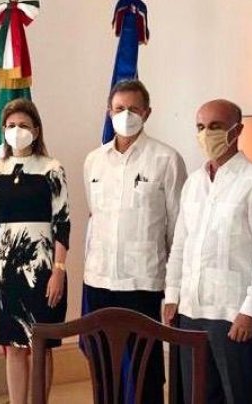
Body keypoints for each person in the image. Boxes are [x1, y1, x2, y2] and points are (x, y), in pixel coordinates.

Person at [83, 79, 187, 403]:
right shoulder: (94, 161)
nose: (125, 115)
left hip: (143, 282)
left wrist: (174, 288)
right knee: (103, 367)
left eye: (133, 108)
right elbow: (95, 217)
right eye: (119, 108)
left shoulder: (166, 159)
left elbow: (178, 229)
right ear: (108, 111)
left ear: (147, 112)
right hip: (99, 280)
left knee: (146, 370)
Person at [0, 98, 70, 403]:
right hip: (6, 268)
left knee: (41, 345)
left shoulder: (52, 168)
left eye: (23, 125)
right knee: (14, 344)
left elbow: (62, 223)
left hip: (44, 267)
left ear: (36, 130)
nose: (16, 131)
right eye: (11, 126)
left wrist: (59, 271)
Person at [164, 99, 252, 403]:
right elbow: (180, 245)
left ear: (237, 130)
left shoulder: (251, 181)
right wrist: (172, 295)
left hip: (232, 314)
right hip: (191, 311)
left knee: (239, 394)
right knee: (197, 395)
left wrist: (249, 311)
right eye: (200, 127)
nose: (206, 134)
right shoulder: (194, 183)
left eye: (215, 126)